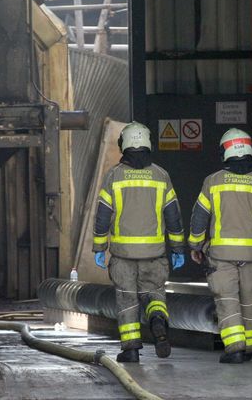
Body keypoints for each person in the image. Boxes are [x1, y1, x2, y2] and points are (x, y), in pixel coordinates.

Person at [92, 122, 185, 363]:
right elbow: (173, 215)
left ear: (123, 146)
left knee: (127, 300)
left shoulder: (114, 176)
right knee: (154, 294)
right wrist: (177, 247)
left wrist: (99, 247)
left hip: (123, 255)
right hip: (153, 254)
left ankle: (131, 349)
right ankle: (157, 321)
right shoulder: (161, 175)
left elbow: (103, 215)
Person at [188, 128, 252, 364]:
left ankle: (235, 348)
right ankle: (251, 346)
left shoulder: (213, 182)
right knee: (251, 300)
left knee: (227, 300)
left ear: (225, 151)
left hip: (221, 256)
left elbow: (199, 218)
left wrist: (196, 245)